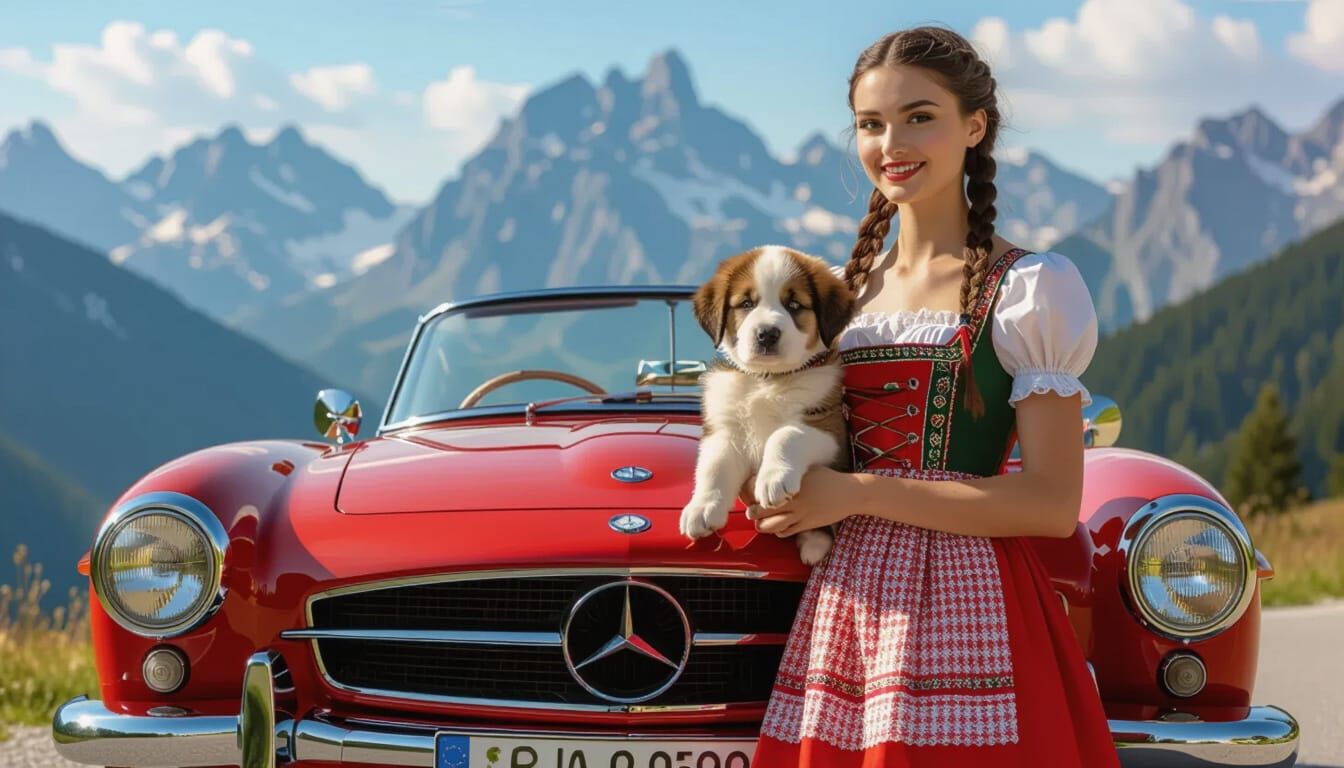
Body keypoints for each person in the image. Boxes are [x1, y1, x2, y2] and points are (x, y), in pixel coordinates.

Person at [747, 26, 1121, 767]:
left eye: (920, 116)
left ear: (974, 126)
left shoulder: (1028, 289)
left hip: (972, 600)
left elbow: (1048, 505)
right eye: (871, 123)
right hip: (850, 612)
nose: (892, 143)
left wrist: (853, 493)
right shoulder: (840, 294)